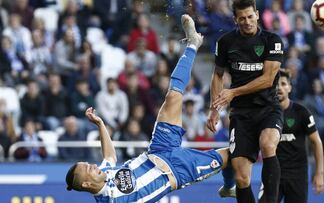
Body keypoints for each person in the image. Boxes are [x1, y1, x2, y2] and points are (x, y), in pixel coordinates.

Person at [65, 14, 230, 203]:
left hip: (158, 148)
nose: (93, 166)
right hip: (177, 171)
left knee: (172, 96)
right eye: (88, 168)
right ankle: (230, 184)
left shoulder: (103, 173)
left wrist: (100, 124)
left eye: (88, 164)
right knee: (231, 154)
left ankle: (192, 44)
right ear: (86, 184)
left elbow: (109, 156)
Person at [207, 0, 284, 202]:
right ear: (235, 20)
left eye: (250, 16)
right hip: (241, 114)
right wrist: (214, 109)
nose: (247, 22)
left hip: (268, 108)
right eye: (242, 18)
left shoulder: (272, 40)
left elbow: (268, 79)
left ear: (257, 15)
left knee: (268, 145)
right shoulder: (225, 42)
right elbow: (217, 75)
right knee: (241, 178)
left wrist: (233, 92)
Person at [257, 70, 324, 202]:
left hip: (297, 175)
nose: (279, 88)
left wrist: (319, 173)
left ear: (290, 87)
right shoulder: (264, 113)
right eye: (276, 84)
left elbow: (316, 142)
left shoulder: (302, 112)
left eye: (283, 84)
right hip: (272, 173)